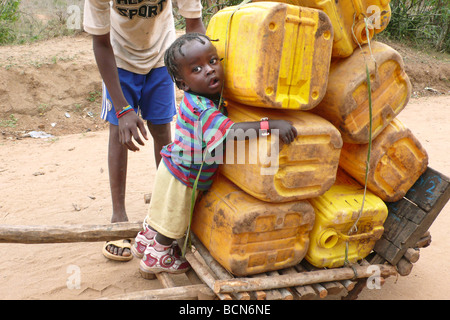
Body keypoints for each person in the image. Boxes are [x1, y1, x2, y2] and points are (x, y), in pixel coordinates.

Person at [130, 33, 298, 277]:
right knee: (174, 219)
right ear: (183, 83)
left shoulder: (196, 99)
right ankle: (158, 255)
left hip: (171, 166)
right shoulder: (203, 109)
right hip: (184, 177)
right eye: (197, 68)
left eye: (213, 61)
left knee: (162, 211)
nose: (209, 70)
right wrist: (270, 125)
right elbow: (231, 133)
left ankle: (146, 240)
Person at [83, 0, 206, 261]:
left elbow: (194, 25)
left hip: (161, 56)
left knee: (162, 132)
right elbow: (101, 43)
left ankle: (167, 216)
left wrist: (202, 86)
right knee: (119, 132)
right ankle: (119, 218)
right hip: (117, 59)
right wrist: (122, 109)